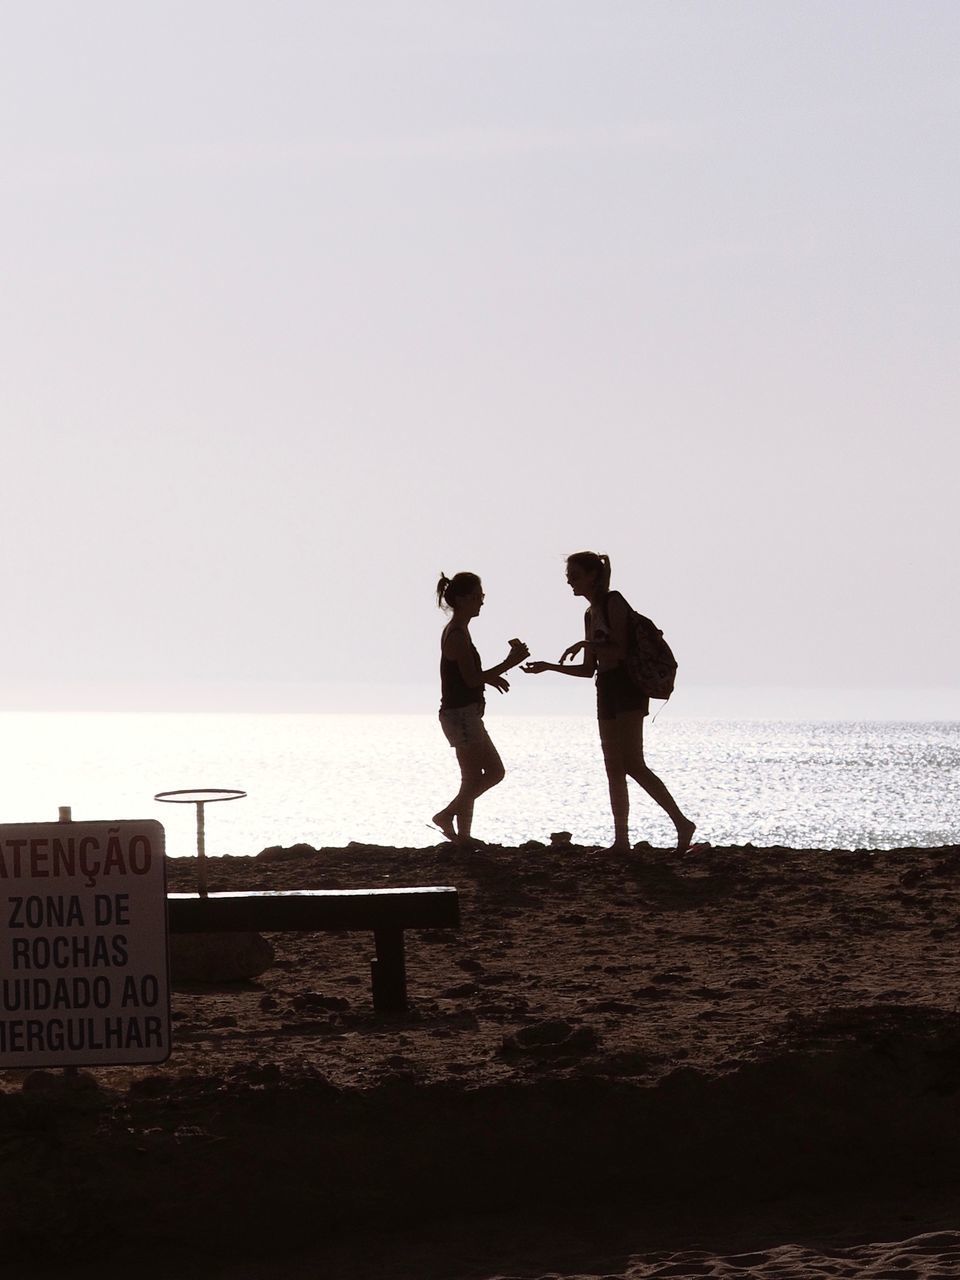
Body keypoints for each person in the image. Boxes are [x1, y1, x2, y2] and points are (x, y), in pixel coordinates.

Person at [522, 551, 697, 854]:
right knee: (613, 767)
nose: (569, 581)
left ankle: (682, 823)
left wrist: (587, 643)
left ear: (593, 575)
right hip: (605, 686)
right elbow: (588, 668)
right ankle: (621, 840)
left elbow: (620, 648)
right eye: (569, 576)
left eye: (575, 575)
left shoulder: (613, 601)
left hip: (627, 685)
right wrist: (549, 666)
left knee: (633, 763)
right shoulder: (590, 613)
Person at [432, 572, 529, 848]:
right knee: (484, 774)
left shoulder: (460, 631)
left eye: (482, 597)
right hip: (459, 714)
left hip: (464, 712)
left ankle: (462, 834)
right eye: (477, 597)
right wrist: (510, 662)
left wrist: (491, 676)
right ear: (462, 599)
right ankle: (447, 816)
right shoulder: (457, 635)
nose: (481, 603)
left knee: (482, 775)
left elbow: (470, 676)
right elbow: (471, 678)